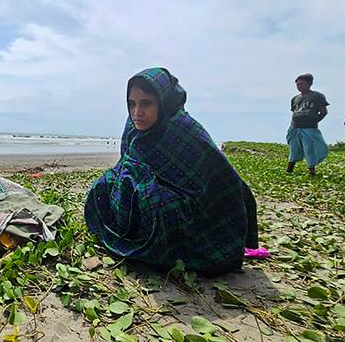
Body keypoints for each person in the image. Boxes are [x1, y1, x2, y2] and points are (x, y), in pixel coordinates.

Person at [84, 67, 258, 276]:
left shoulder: (184, 129)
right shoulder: (132, 127)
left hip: (188, 206)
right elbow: (126, 163)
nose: (137, 112)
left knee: (154, 205)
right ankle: (125, 232)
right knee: (102, 186)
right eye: (132, 103)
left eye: (146, 103)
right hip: (140, 188)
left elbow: (226, 182)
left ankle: (159, 253)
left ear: (163, 101)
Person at [286, 73, 330, 175]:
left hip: (309, 128)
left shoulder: (317, 96)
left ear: (310, 83)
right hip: (295, 127)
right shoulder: (295, 98)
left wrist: (314, 121)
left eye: (302, 84)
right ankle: (289, 170)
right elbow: (294, 112)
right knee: (294, 148)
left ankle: (311, 170)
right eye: (297, 84)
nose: (299, 86)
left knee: (309, 149)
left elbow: (323, 112)